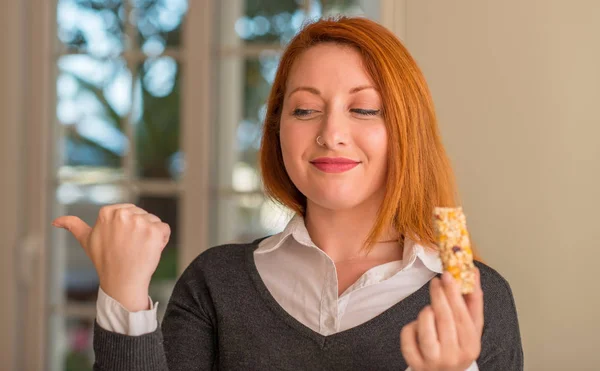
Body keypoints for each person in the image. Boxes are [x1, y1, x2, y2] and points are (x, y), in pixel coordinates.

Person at [52, 16, 523, 371]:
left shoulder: (479, 299)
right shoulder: (216, 283)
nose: (331, 133)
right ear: (277, 130)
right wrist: (124, 295)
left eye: (362, 108)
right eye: (304, 110)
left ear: (406, 131)